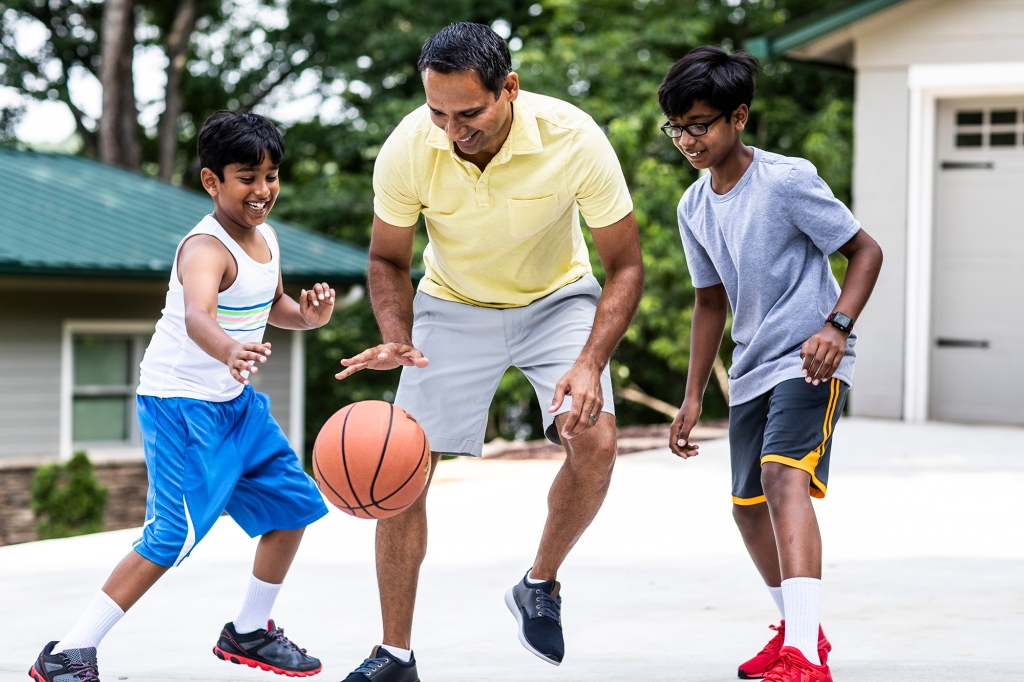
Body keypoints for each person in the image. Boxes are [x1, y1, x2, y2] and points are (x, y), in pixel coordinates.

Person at [335, 21, 643, 681]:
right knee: (401, 474)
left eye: (469, 112)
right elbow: (387, 259)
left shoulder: (574, 138)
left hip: (557, 300)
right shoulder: (409, 147)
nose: (451, 129)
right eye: (437, 112)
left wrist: (589, 360)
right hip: (451, 305)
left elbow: (626, 267)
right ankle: (394, 655)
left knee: (594, 442)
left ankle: (540, 582)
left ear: (509, 88)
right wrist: (397, 333)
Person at [29, 111, 336, 682]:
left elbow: (268, 305)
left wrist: (308, 316)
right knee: (173, 534)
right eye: (247, 177)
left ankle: (249, 630)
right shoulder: (204, 247)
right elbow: (200, 315)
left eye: (271, 175)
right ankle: (69, 652)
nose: (263, 190)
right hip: (181, 405)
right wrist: (228, 352)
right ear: (211, 181)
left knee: (295, 506)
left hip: (234, 404)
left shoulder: (265, 237)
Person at [659, 47, 883, 682]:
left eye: (699, 124)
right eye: (677, 128)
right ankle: (797, 629)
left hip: (809, 360)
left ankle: (807, 657)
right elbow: (708, 302)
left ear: (739, 118)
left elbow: (865, 251)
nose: (687, 140)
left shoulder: (786, 180)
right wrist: (693, 396)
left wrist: (836, 327)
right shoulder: (693, 206)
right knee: (746, 506)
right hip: (752, 366)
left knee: (785, 479)